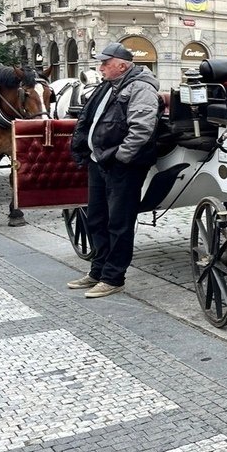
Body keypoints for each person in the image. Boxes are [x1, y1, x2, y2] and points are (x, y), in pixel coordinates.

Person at [68, 43, 162, 298]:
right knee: (97, 218)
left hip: (122, 165)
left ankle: (113, 277)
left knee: (119, 222)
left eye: (105, 63)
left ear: (121, 65)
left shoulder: (141, 87)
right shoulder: (108, 85)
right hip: (100, 161)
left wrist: (121, 157)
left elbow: (141, 128)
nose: (101, 68)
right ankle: (98, 271)